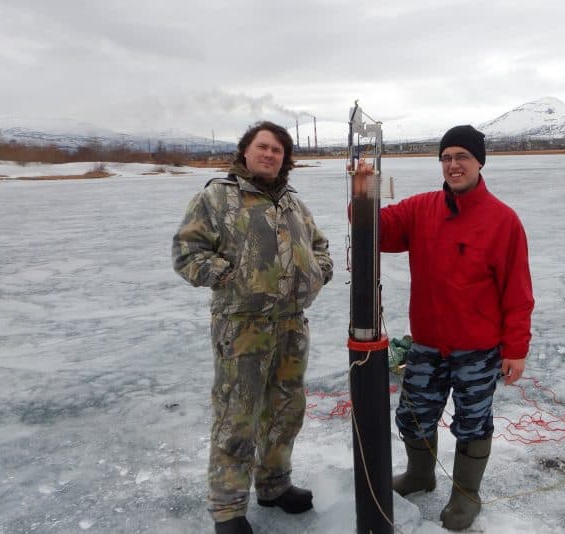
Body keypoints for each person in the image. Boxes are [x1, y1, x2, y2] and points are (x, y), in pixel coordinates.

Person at [352, 125, 534, 531]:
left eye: (462, 157)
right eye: (447, 157)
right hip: (429, 345)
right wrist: (364, 189)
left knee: (473, 424)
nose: (453, 165)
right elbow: (370, 228)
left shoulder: (503, 221)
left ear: (479, 161)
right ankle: (420, 475)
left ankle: (466, 495)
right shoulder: (421, 209)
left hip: (479, 350)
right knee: (412, 415)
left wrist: (516, 348)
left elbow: (518, 291)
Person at [173, 121, 333, 534]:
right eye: (262, 147)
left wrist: (319, 270)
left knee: (285, 410)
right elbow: (187, 252)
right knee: (237, 416)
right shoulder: (217, 197)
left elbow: (318, 243)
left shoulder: (293, 202)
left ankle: (274, 485)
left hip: (292, 325)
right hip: (242, 328)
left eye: (277, 150)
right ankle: (227, 509)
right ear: (245, 151)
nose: (269, 155)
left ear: (285, 158)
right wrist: (232, 277)